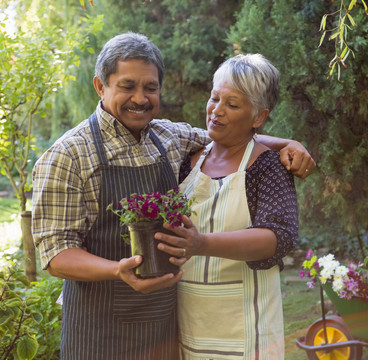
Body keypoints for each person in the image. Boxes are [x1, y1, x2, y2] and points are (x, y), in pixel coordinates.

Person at [32, 33, 315, 360]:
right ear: (100, 86)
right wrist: (116, 270)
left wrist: (288, 144)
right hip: (100, 333)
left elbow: (227, 136)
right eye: (127, 86)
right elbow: (57, 254)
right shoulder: (68, 155)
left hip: (166, 333)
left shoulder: (169, 137)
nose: (140, 98)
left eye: (150, 88)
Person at [156, 54, 298, 359]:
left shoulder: (267, 165)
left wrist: (201, 243)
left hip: (246, 329)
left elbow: (278, 236)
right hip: (188, 323)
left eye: (232, 105)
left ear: (259, 117)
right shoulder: (189, 160)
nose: (216, 111)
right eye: (214, 98)